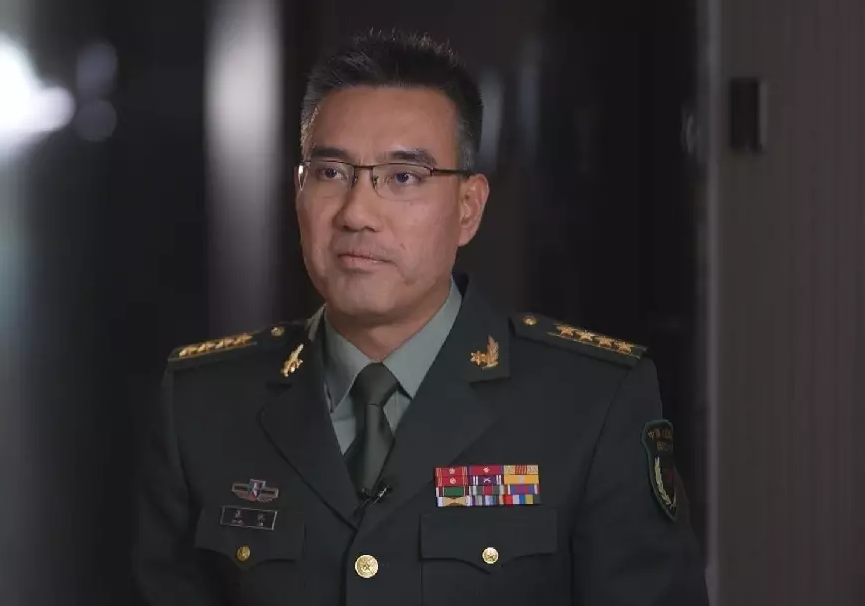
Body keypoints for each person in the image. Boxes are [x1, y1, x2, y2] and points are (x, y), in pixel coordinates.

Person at [132, 29, 709, 605]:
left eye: (403, 178)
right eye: (331, 173)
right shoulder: (203, 404)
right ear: (298, 191)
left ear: (468, 208)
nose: (357, 213)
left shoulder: (592, 402)